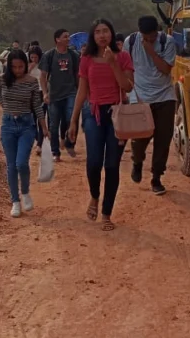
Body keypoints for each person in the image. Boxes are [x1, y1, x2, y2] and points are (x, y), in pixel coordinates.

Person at [69, 19, 135, 231]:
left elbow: (127, 87)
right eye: (97, 32)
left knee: (112, 165)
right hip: (93, 114)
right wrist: (73, 120)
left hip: (118, 115)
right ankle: (95, 197)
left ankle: (106, 213)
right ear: (93, 36)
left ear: (111, 33)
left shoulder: (123, 56)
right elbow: (81, 91)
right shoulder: (86, 59)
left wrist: (113, 63)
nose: (102, 35)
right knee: (94, 162)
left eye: (105, 31)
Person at [124, 15, 177, 195]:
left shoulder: (167, 42)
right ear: (139, 32)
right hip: (140, 96)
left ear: (157, 31)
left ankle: (156, 177)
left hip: (164, 97)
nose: (148, 40)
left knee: (163, 139)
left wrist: (151, 52)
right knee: (139, 139)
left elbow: (166, 69)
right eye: (145, 37)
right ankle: (137, 162)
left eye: (151, 37)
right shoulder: (130, 42)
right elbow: (128, 70)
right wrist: (130, 95)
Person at [0, 49, 49, 218]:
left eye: (21, 66)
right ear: (9, 67)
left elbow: (37, 106)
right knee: (11, 166)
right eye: (14, 67)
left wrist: (44, 128)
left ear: (25, 65)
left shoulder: (31, 81)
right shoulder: (2, 80)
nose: (18, 70)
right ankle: (15, 201)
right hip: (8, 126)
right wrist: (5, 106)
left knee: (21, 163)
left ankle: (25, 192)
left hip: (27, 126)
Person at [39, 28, 80, 162]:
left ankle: (70, 144)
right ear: (57, 39)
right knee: (54, 125)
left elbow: (78, 75)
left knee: (71, 119)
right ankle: (55, 151)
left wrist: (81, 91)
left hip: (71, 93)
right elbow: (43, 76)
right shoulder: (49, 55)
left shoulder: (74, 55)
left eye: (68, 36)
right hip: (54, 95)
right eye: (65, 37)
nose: (68, 39)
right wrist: (45, 93)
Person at [27, 46, 46, 155]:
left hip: (40, 92)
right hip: (31, 93)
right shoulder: (27, 66)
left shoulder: (43, 65)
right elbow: (24, 77)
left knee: (40, 119)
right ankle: (36, 137)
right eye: (32, 57)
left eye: (36, 57)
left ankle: (39, 144)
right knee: (32, 119)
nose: (34, 59)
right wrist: (30, 68)